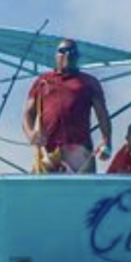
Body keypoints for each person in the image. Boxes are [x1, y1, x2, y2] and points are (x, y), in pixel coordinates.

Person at [22, 38, 112, 174]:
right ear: (55, 56)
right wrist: (30, 134)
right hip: (49, 152)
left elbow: (102, 115)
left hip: (80, 151)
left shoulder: (89, 82)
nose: (67, 55)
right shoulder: (42, 81)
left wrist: (106, 140)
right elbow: (28, 113)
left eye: (72, 51)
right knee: (44, 191)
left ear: (77, 56)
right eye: (62, 51)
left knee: (83, 191)